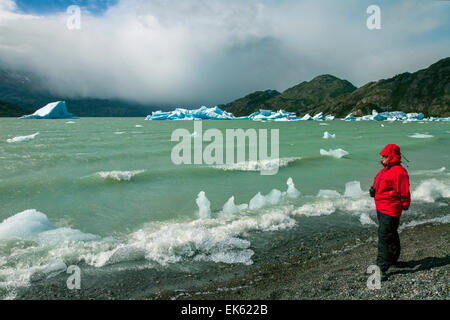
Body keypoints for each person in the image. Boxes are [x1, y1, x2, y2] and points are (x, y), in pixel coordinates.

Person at [370, 144, 410, 280]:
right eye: (382, 156)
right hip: (381, 207)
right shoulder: (386, 170)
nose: (382, 158)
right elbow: (381, 184)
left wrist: (404, 205)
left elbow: (404, 192)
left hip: (390, 209)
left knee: (384, 237)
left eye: (385, 156)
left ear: (392, 156)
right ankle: (393, 259)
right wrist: (373, 190)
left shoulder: (399, 171)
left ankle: (381, 268)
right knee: (390, 234)